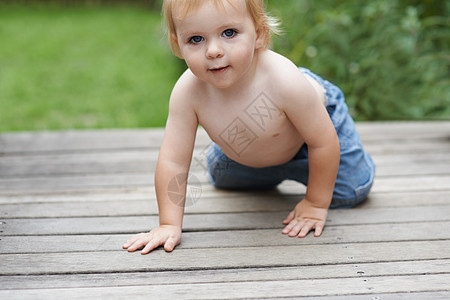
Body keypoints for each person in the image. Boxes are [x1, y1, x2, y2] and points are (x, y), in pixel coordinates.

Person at [123, 0, 375, 254]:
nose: (213, 51)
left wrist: (315, 204)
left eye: (229, 33)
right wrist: (168, 224)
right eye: (196, 39)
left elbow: (323, 141)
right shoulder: (188, 92)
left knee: (352, 190)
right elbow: (173, 162)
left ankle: (305, 177)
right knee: (222, 177)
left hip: (317, 133)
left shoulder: (283, 79)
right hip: (250, 144)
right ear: (177, 44)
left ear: (259, 34)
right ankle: (259, 165)